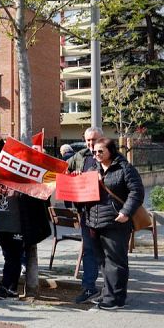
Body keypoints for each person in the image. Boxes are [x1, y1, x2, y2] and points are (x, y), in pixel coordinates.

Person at [85, 138, 144, 310]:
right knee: (103, 261)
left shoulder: (124, 168)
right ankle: (107, 292)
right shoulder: (92, 169)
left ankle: (116, 299)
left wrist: (126, 212)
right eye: (94, 152)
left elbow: (137, 191)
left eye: (100, 151)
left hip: (116, 222)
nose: (96, 154)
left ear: (111, 150)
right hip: (95, 221)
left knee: (116, 261)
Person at [0, 182, 52, 299]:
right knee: (11, 257)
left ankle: (4, 286)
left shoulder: (24, 183)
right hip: (0, 227)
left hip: (16, 227)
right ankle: (12, 288)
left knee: (13, 257)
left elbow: (38, 200)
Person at [68, 127, 103, 303]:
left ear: (101, 139)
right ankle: (89, 288)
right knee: (89, 251)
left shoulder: (109, 155)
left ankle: (115, 290)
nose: (91, 143)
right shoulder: (80, 156)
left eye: (94, 140)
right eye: (88, 140)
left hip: (106, 214)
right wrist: (73, 175)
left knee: (109, 253)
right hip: (87, 214)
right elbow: (64, 172)